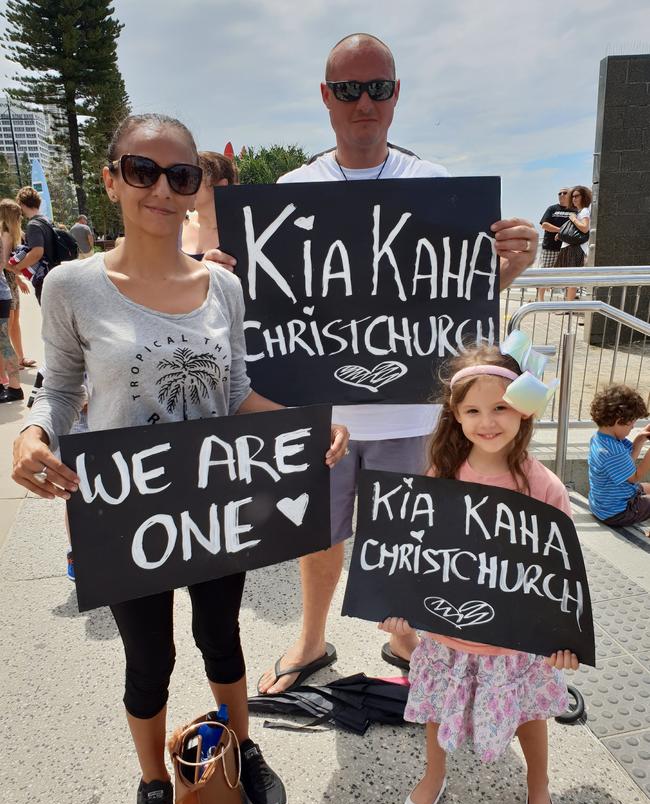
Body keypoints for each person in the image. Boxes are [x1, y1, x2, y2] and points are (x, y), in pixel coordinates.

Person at [11, 112, 348, 804]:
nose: (162, 189)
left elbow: (235, 394)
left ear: (198, 188)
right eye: (142, 171)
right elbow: (60, 389)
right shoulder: (72, 284)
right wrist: (32, 432)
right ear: (111, 179)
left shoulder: (222, 286)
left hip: (213, 503)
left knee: (222, 636)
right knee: (148, 657)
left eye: (181, 175)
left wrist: (304, 425)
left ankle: (242, 747)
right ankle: (154, 782)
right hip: (126, 509)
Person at [205, 33, 538, 694]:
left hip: (414, 406)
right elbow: (263, 305)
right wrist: (218, 280)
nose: (365, 102)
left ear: (396, 96)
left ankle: (406, 630)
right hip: (320, 412)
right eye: (350, 89)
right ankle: (311, 635)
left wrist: (508, 270)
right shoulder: (292, 190)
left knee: (410, 533)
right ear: (326, 98)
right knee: (316, 533)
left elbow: (453, 298)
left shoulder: (438, 187)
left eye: (378, 88)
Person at [379, 340, 579, 804]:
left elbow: (562, 571)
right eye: (473, 409)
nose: (487, 421)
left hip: (517, 643)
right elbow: (415, 549)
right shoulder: (441, 478)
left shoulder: (545, 487)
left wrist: (566, 634)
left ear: (524, 410)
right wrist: (398, 605)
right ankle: (432, 777)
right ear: (455, 414)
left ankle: (539, 788)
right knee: (437, 708)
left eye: (501, 407)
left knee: (531, 714)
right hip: (449, 633)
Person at [588, 384, 650, 527]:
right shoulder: (614, 451)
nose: (633, 427)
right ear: (618, 421)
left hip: (603, 505)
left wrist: (639, 440)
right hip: (619, 512)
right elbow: (634, 478)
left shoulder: (599, 439)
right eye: (631, 424)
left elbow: (625, 466)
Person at [182, 151, 238, 260]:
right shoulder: (177, 225)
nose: (185, 186)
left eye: (194, 180)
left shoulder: (239, 232)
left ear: (221, 185)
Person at [0, 198, 35, 372]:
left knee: (15, 322)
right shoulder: (5, 233)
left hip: (11, 280)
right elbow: (4, 262)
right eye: (18, 214)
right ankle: (10, 361)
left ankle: (20, 358)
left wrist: (18, 278)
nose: (20, 217)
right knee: (9, 323)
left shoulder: (12, 233)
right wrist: (21, 274)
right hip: (6, 280)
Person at [9, 186, 55, 305]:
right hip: (54, 272)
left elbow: (36, 253)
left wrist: (17, 268)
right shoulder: (46, 220)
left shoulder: (33, 225)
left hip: (43, 277)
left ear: (22, 205)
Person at [0, 202, 24, 403]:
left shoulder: (5, 234)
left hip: (2, 292)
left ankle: (14, 387)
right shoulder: (6, 233)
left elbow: (2, 262)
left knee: (3, 341)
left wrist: (17, 274)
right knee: (3, 341)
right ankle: (7, 384)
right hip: (4, 291)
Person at [537, 188, 575, 301]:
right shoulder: (552, 209)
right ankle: (540, 301)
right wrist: (561, 230)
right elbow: (544, 225)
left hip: (568, 248)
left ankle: (566, 303)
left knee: (568, 276)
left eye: (565, 193)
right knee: (545, 274)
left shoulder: (575, 210)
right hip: (550, 248)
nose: (562, 195)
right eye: (560, 193)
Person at [555, 185, 592, 302]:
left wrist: (573, 219)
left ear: (584, 197)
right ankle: (567, 304)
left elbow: (585, 228)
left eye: (577, 196)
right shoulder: (579, 212)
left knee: (571, 279)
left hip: (576, 249)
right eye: (573, 196)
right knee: (567, 278)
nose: (574, 199)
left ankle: (567, 306)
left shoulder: (585, 211)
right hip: (570, 247)